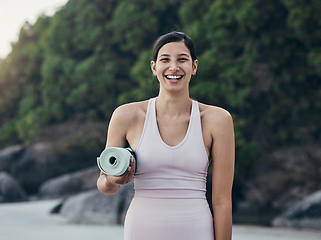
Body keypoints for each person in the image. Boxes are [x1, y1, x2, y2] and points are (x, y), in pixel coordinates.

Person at [97, 31, 235, 240]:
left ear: (194, 67)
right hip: (142, 229)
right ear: (154, 67)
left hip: (196, 230)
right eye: (165, 60)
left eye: (182, 60)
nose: (173, 67)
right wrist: (113, 180)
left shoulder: (218, 120)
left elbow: (222, 201)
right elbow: (104, 185)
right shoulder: (126, 116)